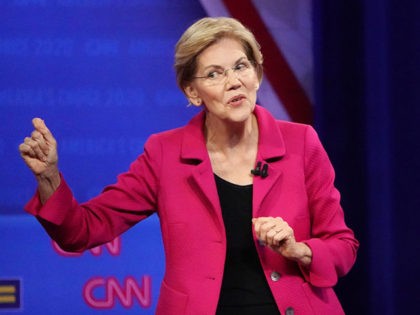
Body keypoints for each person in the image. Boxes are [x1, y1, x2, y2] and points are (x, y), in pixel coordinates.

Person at [19, 17, 359, 315]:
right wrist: (49, 178)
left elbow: (342, 246)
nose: (233, 81)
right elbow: (83, 231)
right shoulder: (164, 154)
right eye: (214, 74)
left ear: (256, 73)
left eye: (241, 66)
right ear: (193, 93)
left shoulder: (301, 142)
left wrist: (300, 250)